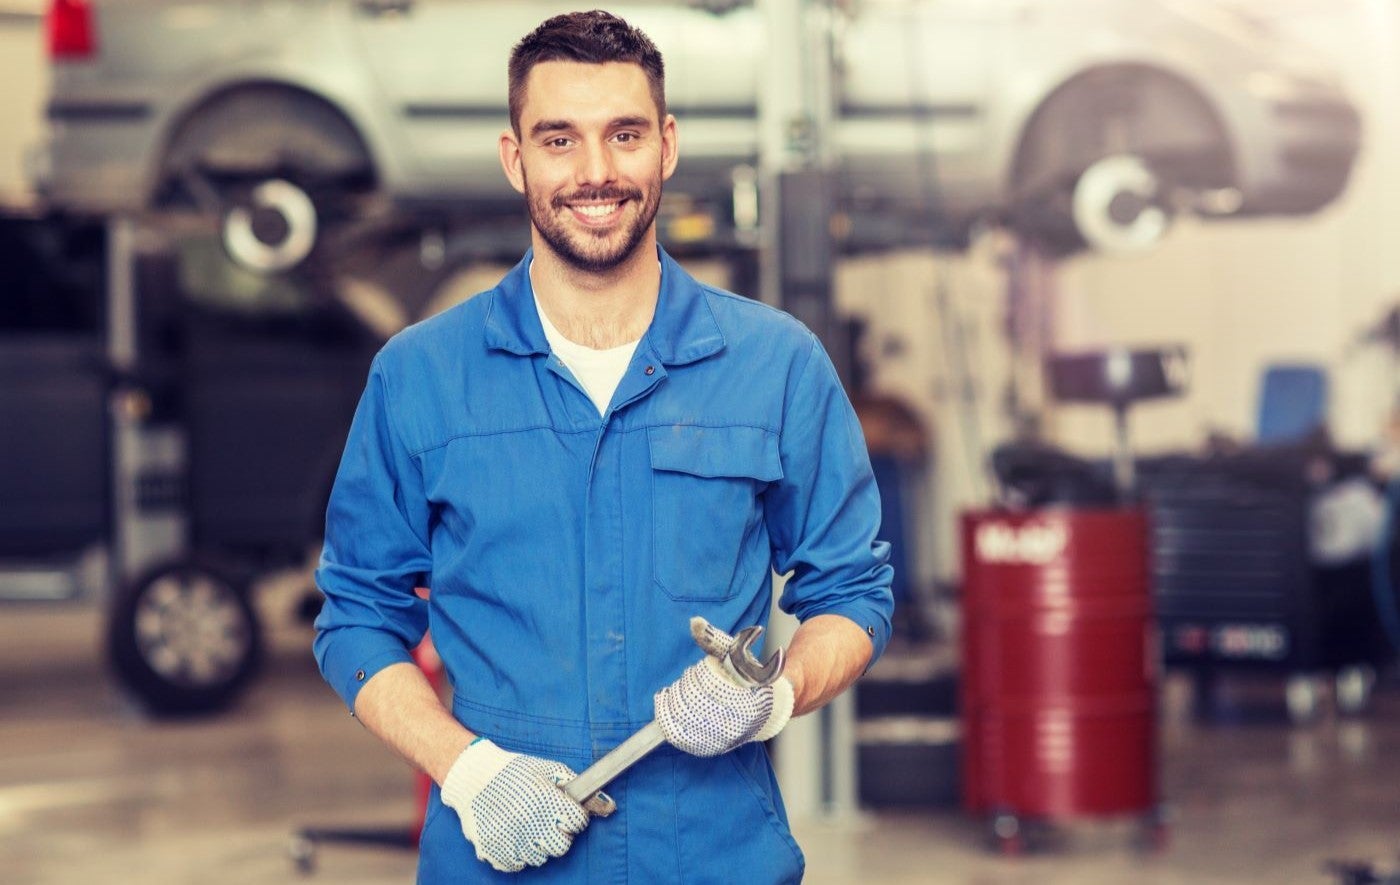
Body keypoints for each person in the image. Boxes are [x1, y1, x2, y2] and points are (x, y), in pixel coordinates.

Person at [313, 10, 894, 882]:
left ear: (665, 145)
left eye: (623, 135)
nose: (595, 172)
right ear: (516, 159)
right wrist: (466, 768)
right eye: (559, 139)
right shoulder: (421, 376)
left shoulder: (775, 364)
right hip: (497, 856)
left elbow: (853, 591)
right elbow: (358, 615)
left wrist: (772, 698)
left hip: (715, 857)